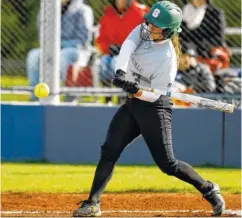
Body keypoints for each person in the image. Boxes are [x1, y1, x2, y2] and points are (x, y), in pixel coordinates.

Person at [73, 1, 225, 217]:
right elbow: (127, 45)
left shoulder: (167, 59)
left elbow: (154, 95)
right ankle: (92, 203)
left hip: (155, 107)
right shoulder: (143, 30)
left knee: (168, 164)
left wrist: (136, 89)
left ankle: (208, 189)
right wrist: (120, 72)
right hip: (133, 103)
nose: (150, 26)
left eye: (156, 25)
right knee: (109, 151)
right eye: (150, 22)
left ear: (168, 31)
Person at [26, 0, 94, 101]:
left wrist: (57, 45)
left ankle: (67, 97)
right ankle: (34, 97)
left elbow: (83, 40)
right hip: (52, 48)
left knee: (63, 56)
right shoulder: (48, 9)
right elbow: (42, 35)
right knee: (33, 55)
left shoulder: (83, 10)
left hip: (76, 50)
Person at [95, 0, 149, 103]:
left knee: (116, 63)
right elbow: (101, 39)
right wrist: (108, 48)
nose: (119, 2)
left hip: (132, 54)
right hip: (111, 53)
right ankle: (108, 101)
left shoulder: (141, 12)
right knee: (103, 64)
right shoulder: (108, 13)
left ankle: (121, 99)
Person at [180, 0, 230, 72]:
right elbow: (181, 34)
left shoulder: (215, 13)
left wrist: (199, 45)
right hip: (187, 49)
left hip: (207, 50)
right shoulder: (184, 12)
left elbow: (219, 38)